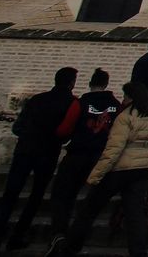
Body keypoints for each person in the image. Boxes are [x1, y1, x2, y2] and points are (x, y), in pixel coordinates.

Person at [43, 82, 148, 257]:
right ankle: (139, 252)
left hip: (120, 168)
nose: (124, 99)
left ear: (131, 97)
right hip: (141, 170)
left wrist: (96, 175)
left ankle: (69, 248)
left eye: (126, 96)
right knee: (135, 216)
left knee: (89, 209)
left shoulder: (125, 118)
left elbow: (114, 149)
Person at [0, 66, 77, 256]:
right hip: (47, 152)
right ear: (72, 83)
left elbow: (17, 128)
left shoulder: (37, 99)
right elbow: (67, 132)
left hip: (25, 150)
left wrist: (29, 136)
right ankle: (18, 235)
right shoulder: (71, 103)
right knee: (36, 196)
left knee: (10, 194)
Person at [47, 68, 119, 240]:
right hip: (101, 156)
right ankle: (78, 235)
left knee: (64, 195)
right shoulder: (117, 106)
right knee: (93, 200)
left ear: (90, 83)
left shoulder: (79, 103)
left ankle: (59, 233)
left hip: (77, 153)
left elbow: (65, 129)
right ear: (106, 84)